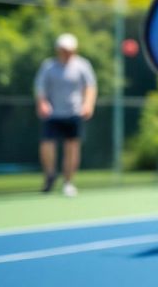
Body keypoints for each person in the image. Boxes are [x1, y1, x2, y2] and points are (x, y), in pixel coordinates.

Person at [34, 33, 97, 197]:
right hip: (53, 114)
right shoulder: (48, 66)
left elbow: (90, 86)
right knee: (46, 145)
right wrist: (42, 103)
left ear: (74, 50)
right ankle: (50, 175)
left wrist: (88, 104)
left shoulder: (82, 65)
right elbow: (40, 87)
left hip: (74, 113)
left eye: (69, 50)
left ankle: (68, 182)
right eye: (63, 49)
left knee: (72, 148)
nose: (66, 52)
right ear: (58, 50)